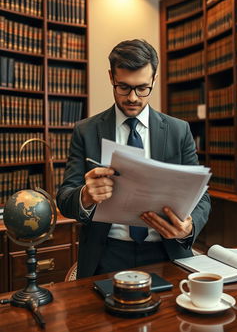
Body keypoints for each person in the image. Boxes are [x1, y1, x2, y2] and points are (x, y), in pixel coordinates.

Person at [57, 39, 211, 278]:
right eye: (123, 87)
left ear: (154, 80)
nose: (133, 98)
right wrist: (86, 195)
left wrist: (187, 229)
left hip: (166, 251)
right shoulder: (86, 131)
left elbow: (202, 197)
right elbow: (65, 199)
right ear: (111, 77)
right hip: (106, 254)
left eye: (142, 88)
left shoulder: (179, 130)